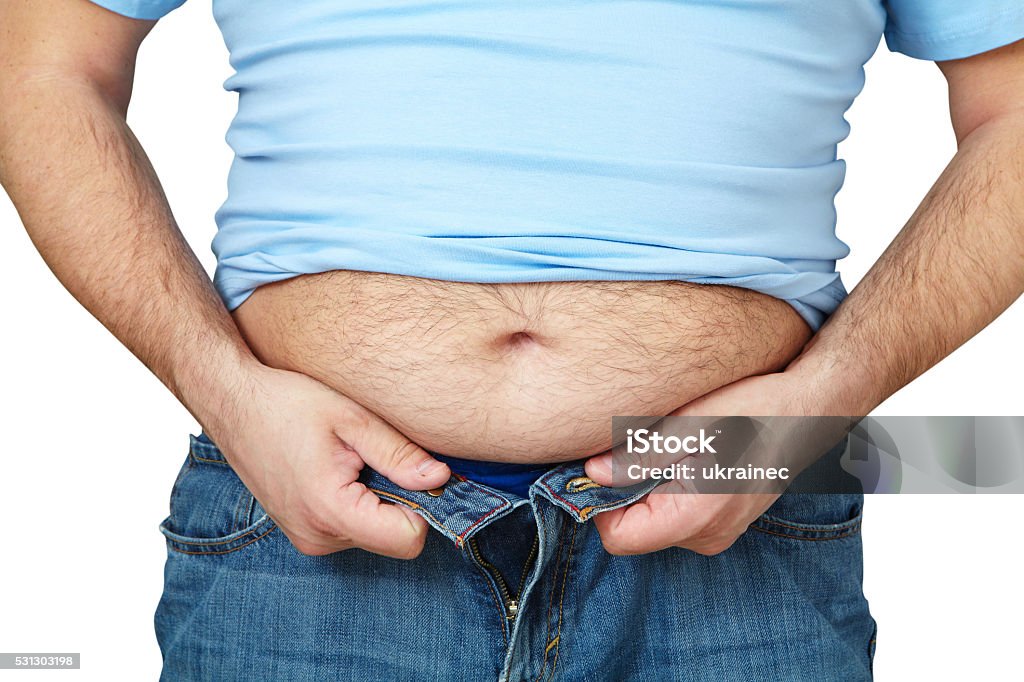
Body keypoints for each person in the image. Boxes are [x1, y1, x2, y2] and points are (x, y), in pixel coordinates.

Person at [2, 0, 1022, 679]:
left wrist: (808, 413)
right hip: (310, 528)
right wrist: (219, 385)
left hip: (734, 531)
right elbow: (40, 71)